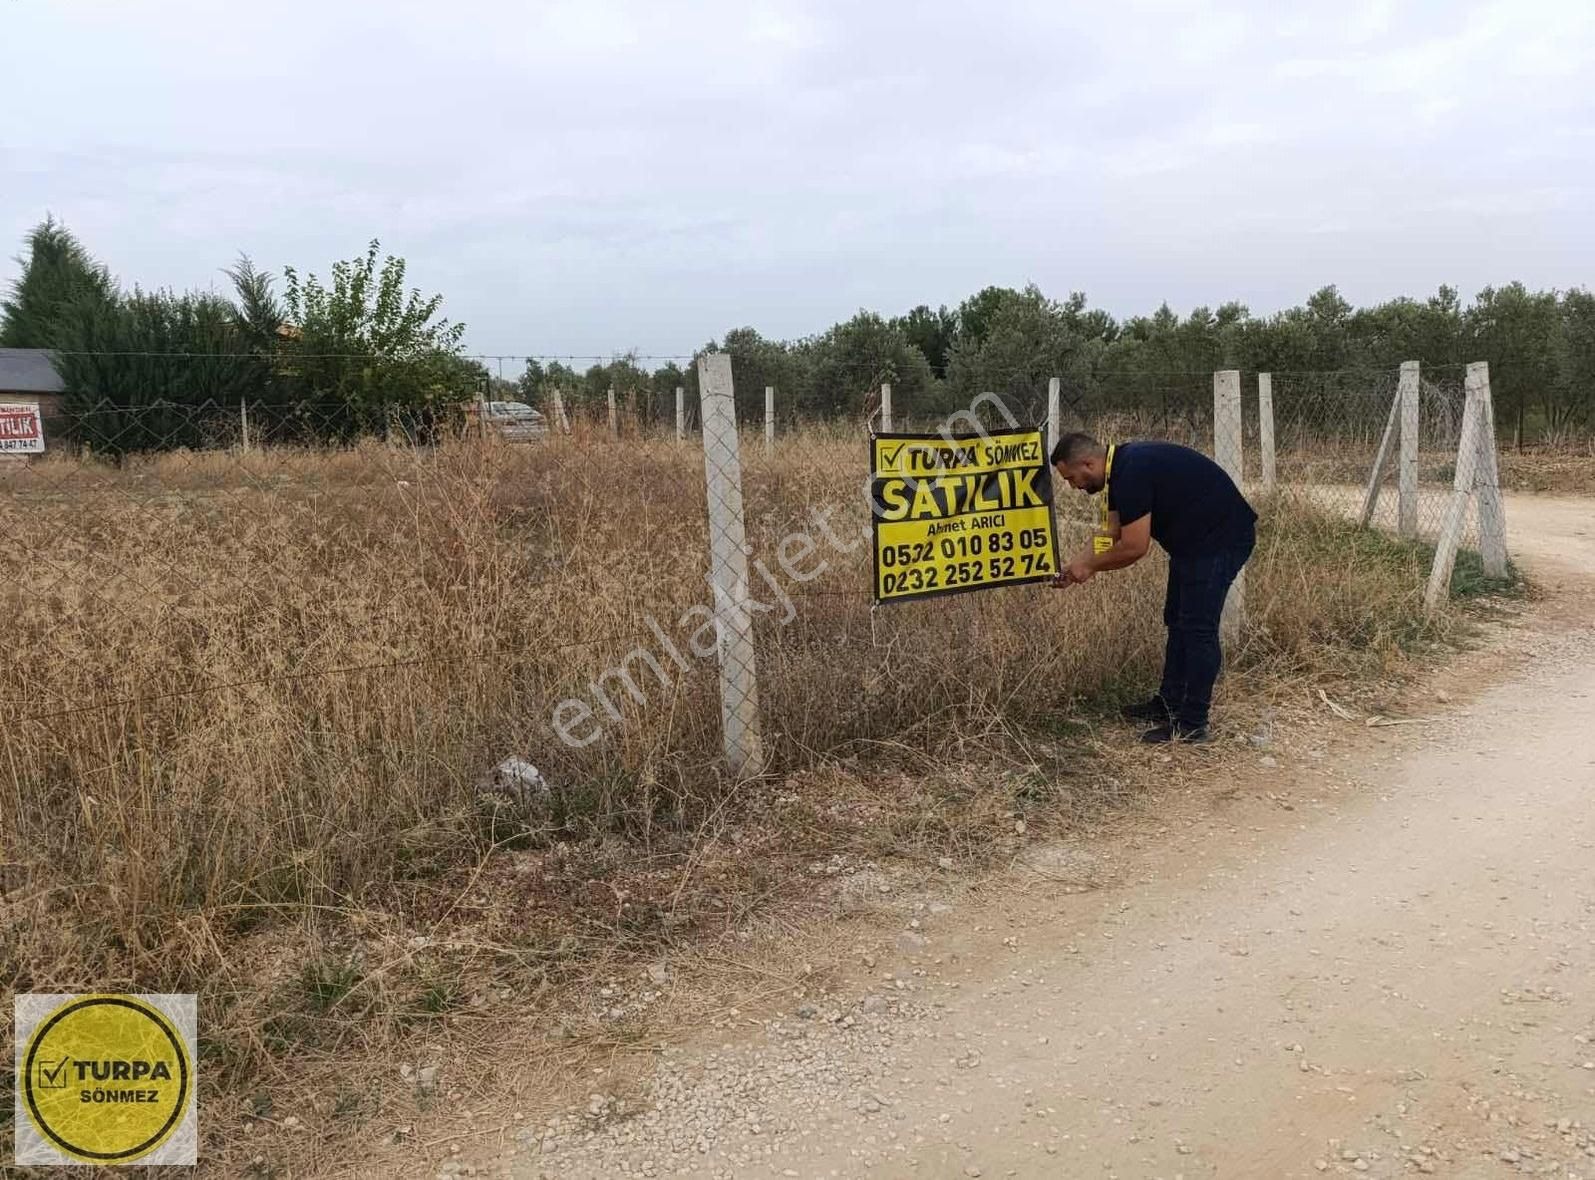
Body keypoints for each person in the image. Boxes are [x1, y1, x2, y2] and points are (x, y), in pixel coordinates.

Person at [1050, 432, 1257, 744]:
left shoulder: (1131, 473)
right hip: (1192, 546)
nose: (1073, 486)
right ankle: (1169, 702)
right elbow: (1111, 532)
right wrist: (1077, 564)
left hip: (1220, 541)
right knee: (1177, 620)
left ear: (1089, 463)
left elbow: (1135, 547)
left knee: (1198, 628)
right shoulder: (1117, 470)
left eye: (1071, 478)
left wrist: (1090, 566)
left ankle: (1193, 724)